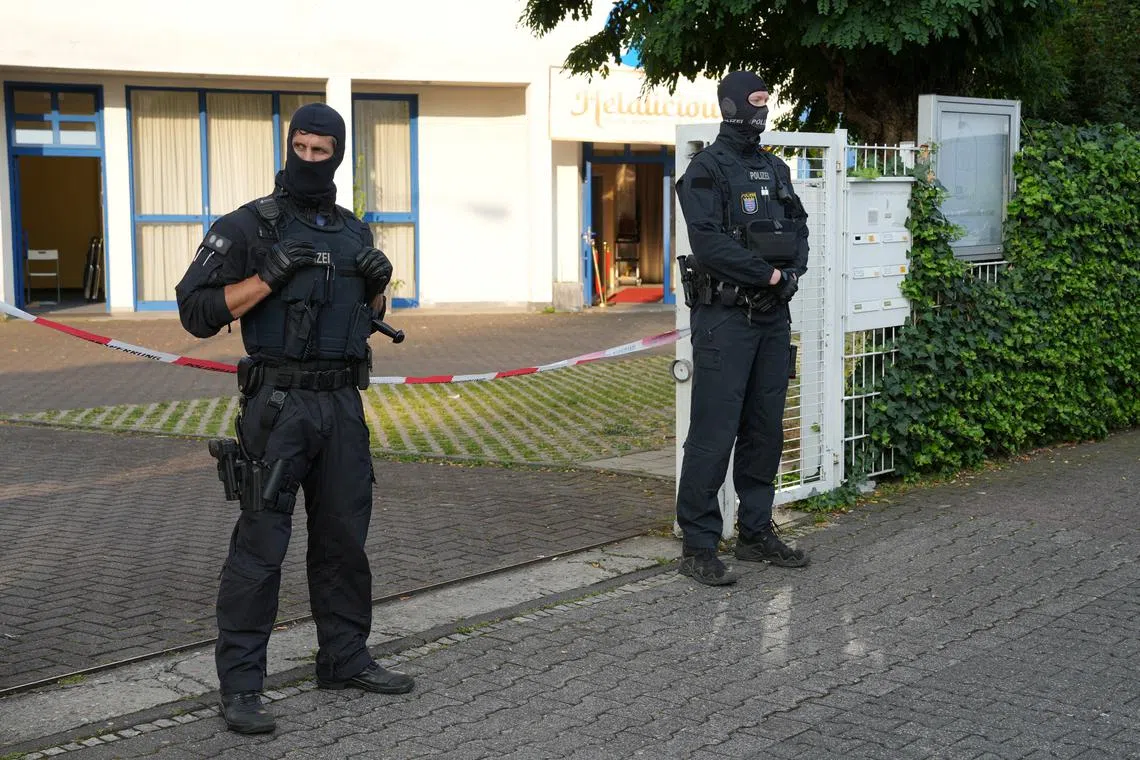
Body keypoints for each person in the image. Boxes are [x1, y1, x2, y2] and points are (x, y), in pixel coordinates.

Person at [175, 103, 413, 734]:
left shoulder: (354, 232)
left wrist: (377, 286)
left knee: (344, 543)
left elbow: (365, 314)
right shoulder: (247, 226)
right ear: (289, 147)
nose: (311, 161)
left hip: (342, 405)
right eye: (302, 149)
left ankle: (343, 658)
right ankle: (242, 687)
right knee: (260, 549)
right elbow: (194, 310)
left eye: (322, 151)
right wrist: (264, 278)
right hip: (277, 410)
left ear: (338, 153)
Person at [673, 71, 811, 586]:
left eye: (766, 100)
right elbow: (708, 243)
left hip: (773, 317)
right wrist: (769, 274)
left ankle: (755, 533)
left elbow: (798, 229)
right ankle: (699, 545)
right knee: (713, 433)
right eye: (756, 100)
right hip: (725, 321)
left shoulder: (775, 168)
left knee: (764, 429)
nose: (763, 109)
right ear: (730, 105)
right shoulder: (705, 169)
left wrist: (791, 272)